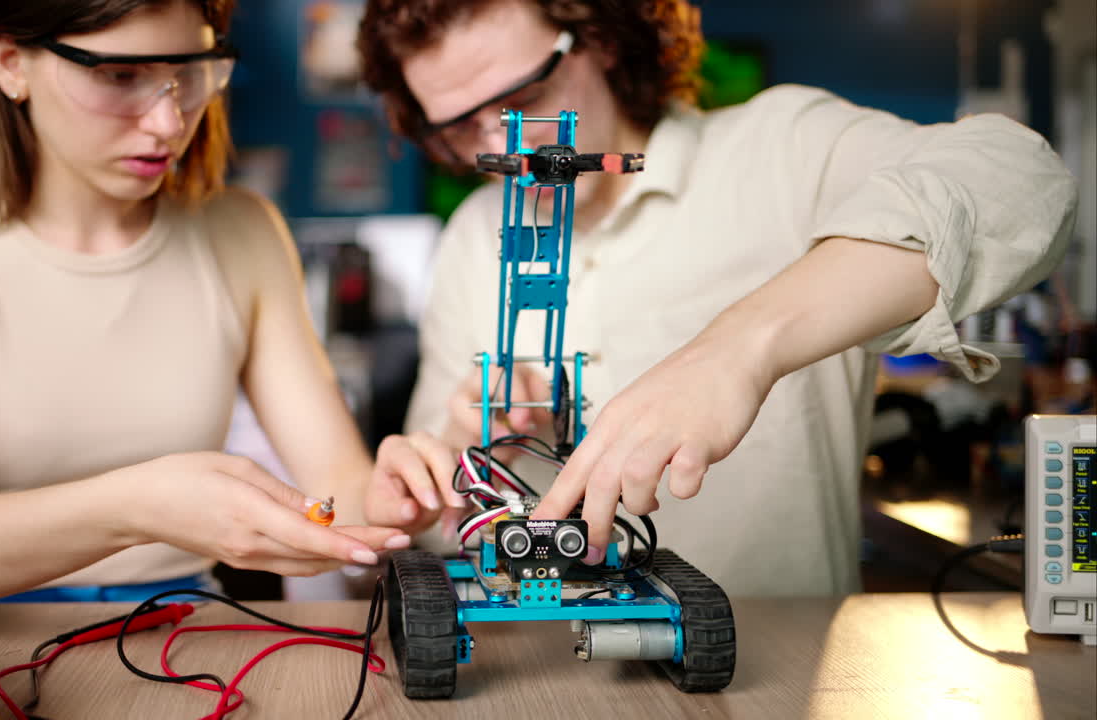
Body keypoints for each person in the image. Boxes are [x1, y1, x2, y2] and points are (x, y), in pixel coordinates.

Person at [357, 0, 1078, 595]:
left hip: (770, 685)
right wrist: (457, 458)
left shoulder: (780, 153)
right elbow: (431, 523)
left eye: (523, 100)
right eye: (457, 127)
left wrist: (738, 348)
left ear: (600, 38)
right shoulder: (471, 237)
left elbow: (1021, 180)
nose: (502, 146)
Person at [0, 0, 465, 604]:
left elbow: (340, 492)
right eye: (121, 75)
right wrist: (135, 508)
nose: (169, 121)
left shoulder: (243, 231)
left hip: (179, 638)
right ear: (11, 63)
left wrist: (392, 496)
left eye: (193, 73)